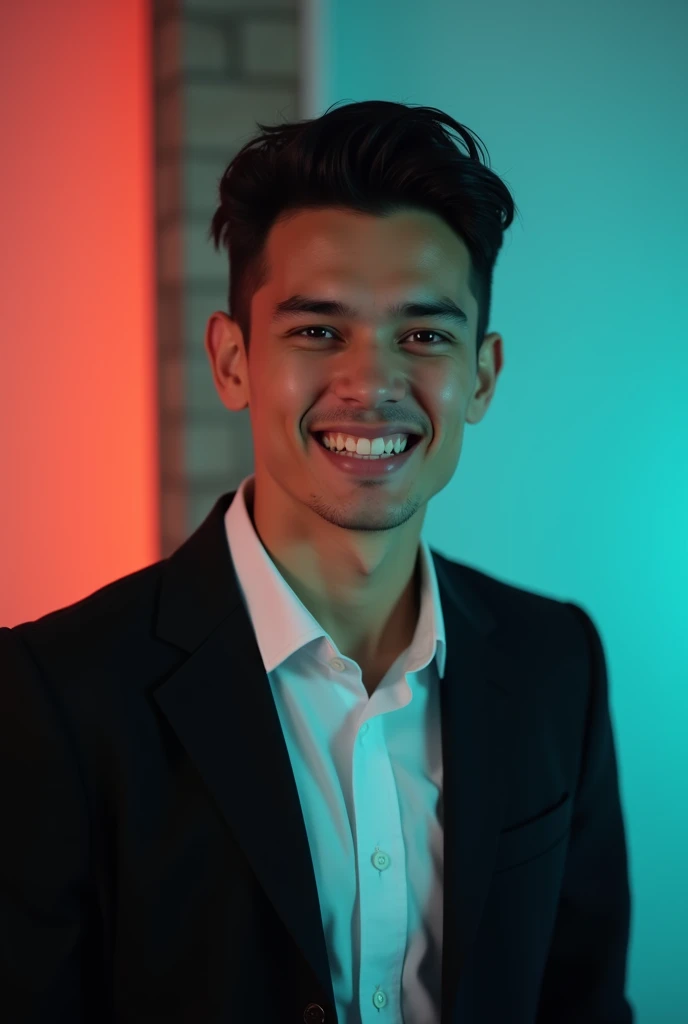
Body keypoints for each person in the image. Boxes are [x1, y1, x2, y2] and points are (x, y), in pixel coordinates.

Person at [0, 100, 634, 1023]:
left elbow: (582, 1003)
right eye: (316, 330)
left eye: (424, 335)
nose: (371, 384)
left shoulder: (556, 663)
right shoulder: (55, 695)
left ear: (483, 377)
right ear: (232, 362)